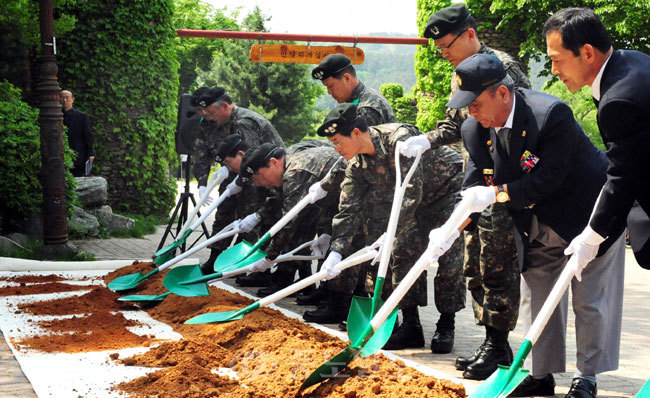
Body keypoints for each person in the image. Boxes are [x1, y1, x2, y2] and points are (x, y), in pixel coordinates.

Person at [435, 53, 625, 395]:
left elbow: (549, 178)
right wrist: (449, 227)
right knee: (537, 296)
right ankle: (542, 374)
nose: (471, 112)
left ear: (503, 94)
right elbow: (474, 182)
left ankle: (587, 378)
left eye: (476, 103)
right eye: (466, 106)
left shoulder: (549, 115)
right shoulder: (473, 130)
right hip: (535, 222)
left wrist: (495, 195)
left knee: (589, 300)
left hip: (588, 215)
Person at [401, 2, 530, 362]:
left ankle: (499, 344)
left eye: (446, 47)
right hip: (474, 181)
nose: (443, 55)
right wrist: (426, 140)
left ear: (470, 35)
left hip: (502, 183)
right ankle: (490, 343)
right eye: (439, 50)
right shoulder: (460, 73)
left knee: (498, 264)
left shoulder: (503, 69)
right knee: (474, 262)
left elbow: (519, 122)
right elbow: (456, 125)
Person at [316, 103, 464, 343]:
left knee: (448, 255)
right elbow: (348, 210)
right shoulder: (356, 164)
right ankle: (411, 326)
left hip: (444, 191)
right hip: (406, 201)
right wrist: (337, 252)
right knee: (399, 252)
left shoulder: (399, 141)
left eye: (337, 142)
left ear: (355, 133)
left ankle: (447, 324)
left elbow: (411, 193)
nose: (336, 149)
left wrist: (391, 236)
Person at [544, 8, 650, 274]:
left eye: (557, 60)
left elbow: (622, 176)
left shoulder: (618, 100)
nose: (554, 70)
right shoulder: (631, 61)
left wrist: (592, 236)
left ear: (588, 53)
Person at [192, 87, 285, 274]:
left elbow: (250, 159)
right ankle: (215, 258)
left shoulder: (245, 122)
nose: (206, 116)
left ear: (224, 106)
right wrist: (203, 183)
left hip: (261, 175)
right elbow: (201, 153)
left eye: (210, 112)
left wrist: (235, 176)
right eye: (202, 112)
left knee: (251, 217)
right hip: (235, 173)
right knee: (223, 213)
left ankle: (247, 263)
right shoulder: (209, 124)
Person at [238, 142, 347, 298]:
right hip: (335, 202)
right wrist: (258, 216)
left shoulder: (296, 171)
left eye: (259, 176)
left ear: (274, 163)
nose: (260, 183)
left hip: (360, 199)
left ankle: (338, 300)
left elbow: (288, 221)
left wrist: (269, 257)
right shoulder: (289, 164)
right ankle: (320, 290)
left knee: (346, 251)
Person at [312, 53, 397, 126]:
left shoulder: (366, 108)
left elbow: (357, 144)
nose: (329, 92)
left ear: (347, 78)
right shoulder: (357, 99)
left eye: (330, 86)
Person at [60, 90, 94, 177]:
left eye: (67, 98)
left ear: (72, 99)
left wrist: (90, 153)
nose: (64, 100)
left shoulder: (81, 116)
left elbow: (88, 136)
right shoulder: (56, 116)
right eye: (62, 97)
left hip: (78, 154)